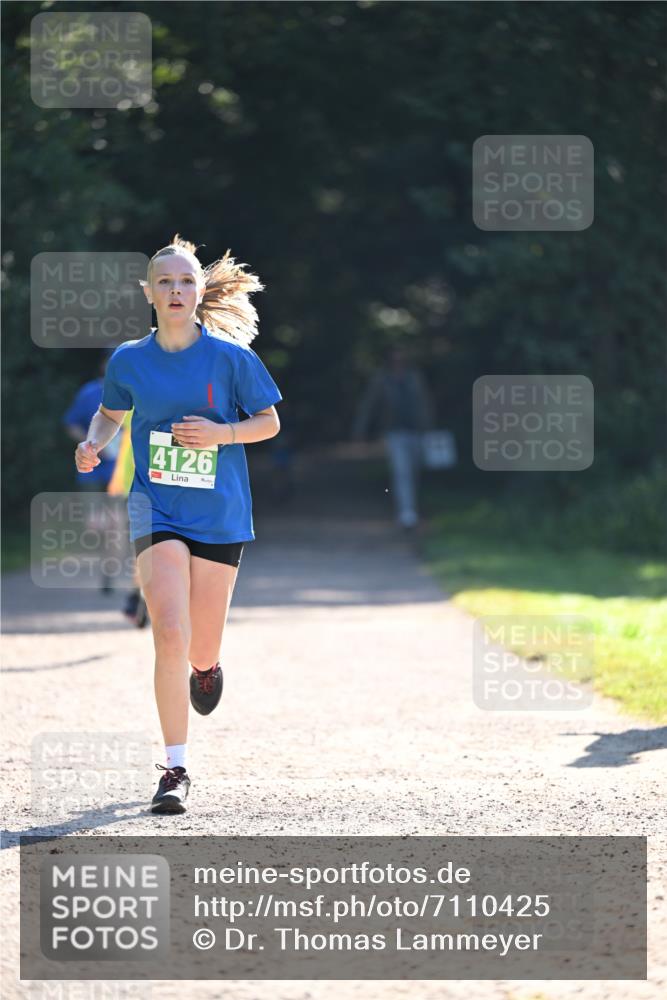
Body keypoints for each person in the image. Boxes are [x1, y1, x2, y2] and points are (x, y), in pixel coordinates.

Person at [74, 234, 282, 814]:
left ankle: (208, 667)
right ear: (148, 293)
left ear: (199, 291)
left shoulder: (231, 359)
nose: (176, 290)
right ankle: (175, 767)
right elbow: (109, 413)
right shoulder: (128, 360)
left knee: (199, 645)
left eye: (186, 281)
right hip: (155, 507)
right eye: (164, 281)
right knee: (169, 628)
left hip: (219, 513)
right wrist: (94, 445)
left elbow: (268, 423)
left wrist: (223, 433)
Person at [353, 345, 434, 531]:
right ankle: (406, 513)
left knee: (413, 471)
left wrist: (429, 429)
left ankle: (411, 508)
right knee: (402, 472)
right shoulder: (381, 379)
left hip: (416, 431)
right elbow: (369, 405)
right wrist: (360, 430)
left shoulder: (415, 377)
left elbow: (425, 403)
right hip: (394, 432)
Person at [63, 354, 121, 592]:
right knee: (95, 525)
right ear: (102, 367)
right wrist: (89, 443)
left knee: (115, 524)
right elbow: (71, 424)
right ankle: (104, 561)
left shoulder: (133, 393)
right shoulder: (88, 393)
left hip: (118, 471)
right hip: (91, 472)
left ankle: (109, 574)